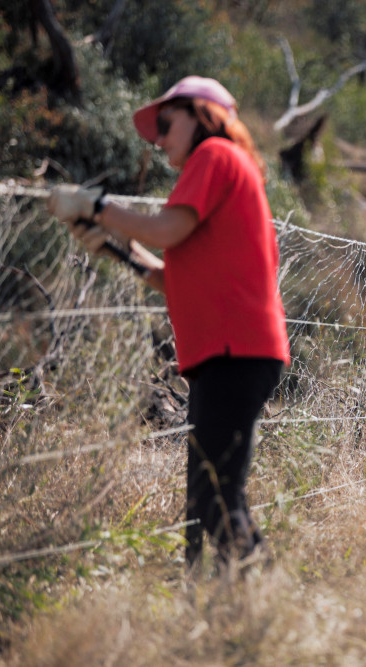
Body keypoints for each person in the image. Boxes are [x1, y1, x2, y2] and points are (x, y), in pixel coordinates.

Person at [47, 75, 290, 572]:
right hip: (229, 352)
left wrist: (95, 206)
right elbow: (169, 274)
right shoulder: (226, 165)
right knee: (211, 494)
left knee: (217, 496)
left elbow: (166, 229)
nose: (158, 139)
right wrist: (115, 247)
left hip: (233, 351)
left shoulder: (215, 155)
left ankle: (260, 600)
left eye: (165, 122)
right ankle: (228, 600)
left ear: (202, 114)